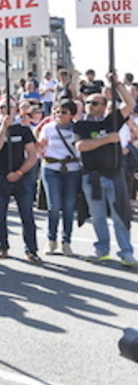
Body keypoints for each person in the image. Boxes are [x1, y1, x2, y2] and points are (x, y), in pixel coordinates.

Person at [74, 76, 137, 265]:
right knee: (98, 216)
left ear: (103, 105)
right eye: (87, 103)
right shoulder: (81, 125)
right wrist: (107, 140)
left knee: (120, 215)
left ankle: (126, 252)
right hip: (91, 177)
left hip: (113, 174)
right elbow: (81, 146)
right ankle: (102, 249)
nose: (90, 106)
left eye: (95, 103)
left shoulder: (112, 121)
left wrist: (117, 84)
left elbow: (130, 103)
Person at [0, 99, 41, 263]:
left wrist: (19, 172)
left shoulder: (23, 130)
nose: (5, 110)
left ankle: (31, 250)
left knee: (27, 215)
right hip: (0, 175)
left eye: (9, 107)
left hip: (20, 176)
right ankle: (2, 246)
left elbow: (32, 155)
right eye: (2, 107)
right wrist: (3, 127)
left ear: (16, 109)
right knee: (0, 215)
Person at [37, 100, 81, 257]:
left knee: (69, 207)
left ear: (71, 114)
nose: (60, 115)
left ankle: (66, 241)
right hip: (51, 168)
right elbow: (41, 143)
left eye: (64, 112)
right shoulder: (49, 128)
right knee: (54, 206)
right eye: (57, 112)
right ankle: (51, 240)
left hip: (72, 169)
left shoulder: (78, 128)